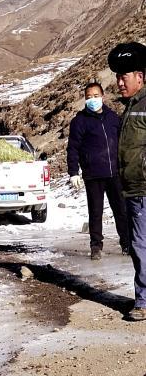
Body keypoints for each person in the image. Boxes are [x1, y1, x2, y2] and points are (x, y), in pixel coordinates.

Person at [67, 82, 129, 260]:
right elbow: (73, 148)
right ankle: (96, 246)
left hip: (115, 172)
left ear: (103, 96)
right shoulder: (79, 121)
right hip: (93, 174)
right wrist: (73, 172)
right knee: (95, 212)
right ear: (85, 99)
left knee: (121, 210)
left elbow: (123, 142)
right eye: (88, 97)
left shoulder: (113, 118)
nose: (92, 99)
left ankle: (126, 243)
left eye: (95, 96)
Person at [109, 41, 146, 321]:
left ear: (140, 77)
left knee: (142, 245)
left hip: (144, 187)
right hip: (134, 189)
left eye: (124, 76)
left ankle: (144, 302)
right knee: (139, 245)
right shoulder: (131, 106)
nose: (119, 82)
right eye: (118, 76)